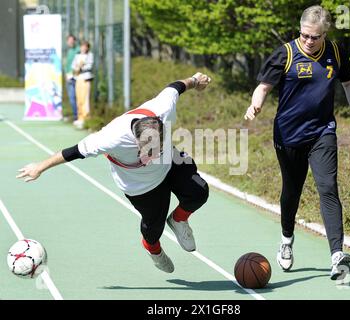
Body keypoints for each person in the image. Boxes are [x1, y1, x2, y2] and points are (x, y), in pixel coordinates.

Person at [17, 73, 211, 273]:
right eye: (147, 152)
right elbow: (72, 152)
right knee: (153, 229)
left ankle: (178, 220)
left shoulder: (163, 108)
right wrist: (39, 167)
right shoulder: (110, 138)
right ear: (135, 141)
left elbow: (176, 85)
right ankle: (153, 249)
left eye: (157, 148)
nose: (152, 157)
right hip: (141, 186)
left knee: (199, 191)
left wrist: (196, 81)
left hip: (171, 164)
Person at [244, 5, 350, 280]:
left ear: (325, 34)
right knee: (292, 190)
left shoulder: (335, 53)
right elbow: (263, 87)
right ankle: (286, 239)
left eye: (315, 37)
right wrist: (255, 106)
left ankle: (337, 256)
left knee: (328, 187)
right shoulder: (286, 54)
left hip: (322, 131)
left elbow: (349, 83)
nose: (309, 41)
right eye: (304, 35)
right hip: (288, 136)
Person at [72, 41, 94, 129]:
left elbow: (89, 65)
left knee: (85, 99)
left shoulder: (89, 55)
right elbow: (73, 66)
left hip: (86, 78)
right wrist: (77, 67)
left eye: (85, 47)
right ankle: (80, 117)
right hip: (78, 78)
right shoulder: (77, 55)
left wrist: (82, 66)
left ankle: (86, 118)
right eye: (82, 46)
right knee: (79, 98)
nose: (84, 48)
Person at [64, 35, 80, 121]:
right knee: (72, 98)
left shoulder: (78, 50)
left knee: (75, 97)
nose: (70, 42)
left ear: (74, 41)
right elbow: (67, 65)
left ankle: (77, 116)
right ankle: (76, 115)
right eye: (69, 40)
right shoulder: (68, 51)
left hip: (75, 77)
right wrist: (66, 74)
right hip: (68, 76)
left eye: (72, 40)